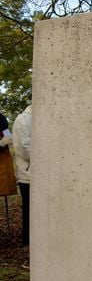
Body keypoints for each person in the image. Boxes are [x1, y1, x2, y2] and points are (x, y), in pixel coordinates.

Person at [13, 105, 31, 247]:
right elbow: (25, 148)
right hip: (28, 175)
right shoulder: (23, 120)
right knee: (29, 211)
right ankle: (28, 241)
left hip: (47, 175)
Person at [0, 112, 17, 197]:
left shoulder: (1, 117)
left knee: (4, 182)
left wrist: (7, 138)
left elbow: (7, 133)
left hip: (3, 155)